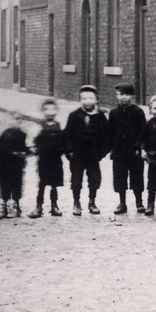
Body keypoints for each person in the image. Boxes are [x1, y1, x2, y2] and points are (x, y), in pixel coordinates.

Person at [64, 84, 110, 216]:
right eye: (84, 98)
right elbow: (67, 135)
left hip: (93, 155)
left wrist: (102, 152)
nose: (87, 101)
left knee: (94, 178)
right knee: (76, 179)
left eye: (91, 98)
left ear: (96, 100)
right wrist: (70, 151)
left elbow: (106, 135)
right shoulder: (74, 116)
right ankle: (76, 202)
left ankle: (92, 201)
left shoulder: (100, 116)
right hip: (77, 155)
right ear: (80, 100)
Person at [108, 82, 147, 215]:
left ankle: (139, 202)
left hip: (134, 151)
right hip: (119, 151)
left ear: (131, 96)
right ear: (117, 96)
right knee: (120, 177)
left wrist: (139, 146)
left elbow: (143, 131)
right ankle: (122, 202)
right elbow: (110, 132)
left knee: (137, 176)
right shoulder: (113, 113)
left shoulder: (138, 112)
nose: (123, 97)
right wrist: (111, 148)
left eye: (126, 94)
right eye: (120, 94)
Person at [29, 99, 66, 218]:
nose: (50, 112)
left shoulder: (59, 125)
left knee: (54, 183)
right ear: (43, 111)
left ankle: (54, 206)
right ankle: (38, 206)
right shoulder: (39, 126)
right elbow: (31, 139)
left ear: (56, 111)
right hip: (44, 159)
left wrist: (64, 149)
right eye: (47, 109)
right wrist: (34, 149)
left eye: (53, 109)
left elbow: (64, 139)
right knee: (42, 182)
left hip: (55, 159)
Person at [0, 121, 30, 218]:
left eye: (19, 120)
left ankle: (16, 206)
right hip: (4, 164)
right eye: (14, 119)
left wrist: (24, 154)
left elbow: (26, 149)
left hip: (17, 165)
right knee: (4, 185)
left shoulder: (23, 134)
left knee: (17, 185)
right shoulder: (5, 134)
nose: (16, 122)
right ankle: (4, 206)